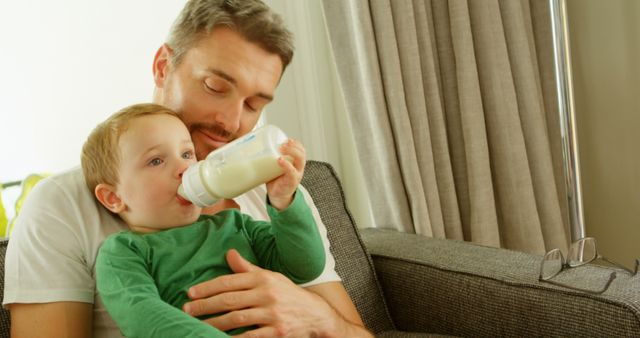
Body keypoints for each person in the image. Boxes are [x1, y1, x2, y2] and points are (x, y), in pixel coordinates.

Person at [4, 0, 372, 337]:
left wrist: (317, 317)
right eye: (215, 86)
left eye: (253, 105)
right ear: (164, 67)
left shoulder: (277, 198)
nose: (231, 122)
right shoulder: (62, 208)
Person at [84, 103, 325, 337]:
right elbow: (144, 317)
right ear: (113, 197)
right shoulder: (123, 252)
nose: (184, 168)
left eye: (187, 154)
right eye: (156, 160)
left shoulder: (236, 225)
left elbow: (305, 267)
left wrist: (284, 202)